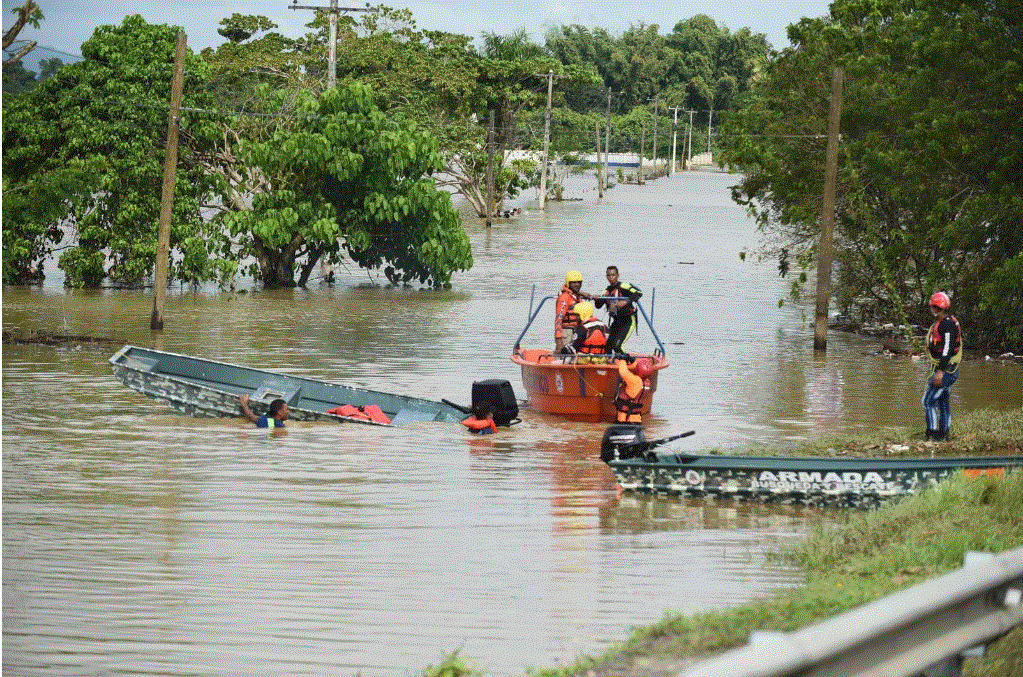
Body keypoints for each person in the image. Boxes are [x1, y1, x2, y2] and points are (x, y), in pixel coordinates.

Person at [922, 291, 962, 441]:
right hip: (948, 369)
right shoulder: (947, 322)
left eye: (932, 306)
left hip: (947, 371)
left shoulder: (946, 325)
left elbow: (947, 349)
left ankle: (931, 434)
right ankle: (944, 434)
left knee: (928, 401)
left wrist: (940, 372)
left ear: (936, 308)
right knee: (943, 402)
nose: (931, 309)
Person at [594, 266, 642, 353]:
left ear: (617, 275)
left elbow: (639, 293)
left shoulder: (624, 286)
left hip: (628, 320)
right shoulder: (606, 291)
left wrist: (626, 301)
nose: (611, 277)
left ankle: (627, 362)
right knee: (607, 346)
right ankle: (610, 363)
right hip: (616, 321)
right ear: (606, 277)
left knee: (617, 346)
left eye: (613, 275)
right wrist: (596, 299)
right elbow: (598, 306)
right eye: (609, 275)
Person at [554, 270, 591, 352]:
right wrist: (559, 342)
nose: (577, 285)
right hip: (566, 332)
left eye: (579, 282)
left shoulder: (576, 296)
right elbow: (558, 320)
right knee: (565, 357)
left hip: (577, 331)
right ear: (568, 283)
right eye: (574, 282)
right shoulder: (564, 298)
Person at [614, 355, 653, 423]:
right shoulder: (647, 382)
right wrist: (632, 361)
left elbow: (623, 372)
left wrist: (622, 360)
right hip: (636, 419)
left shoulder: (634, 380)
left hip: (625, 419)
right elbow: (642, 370)